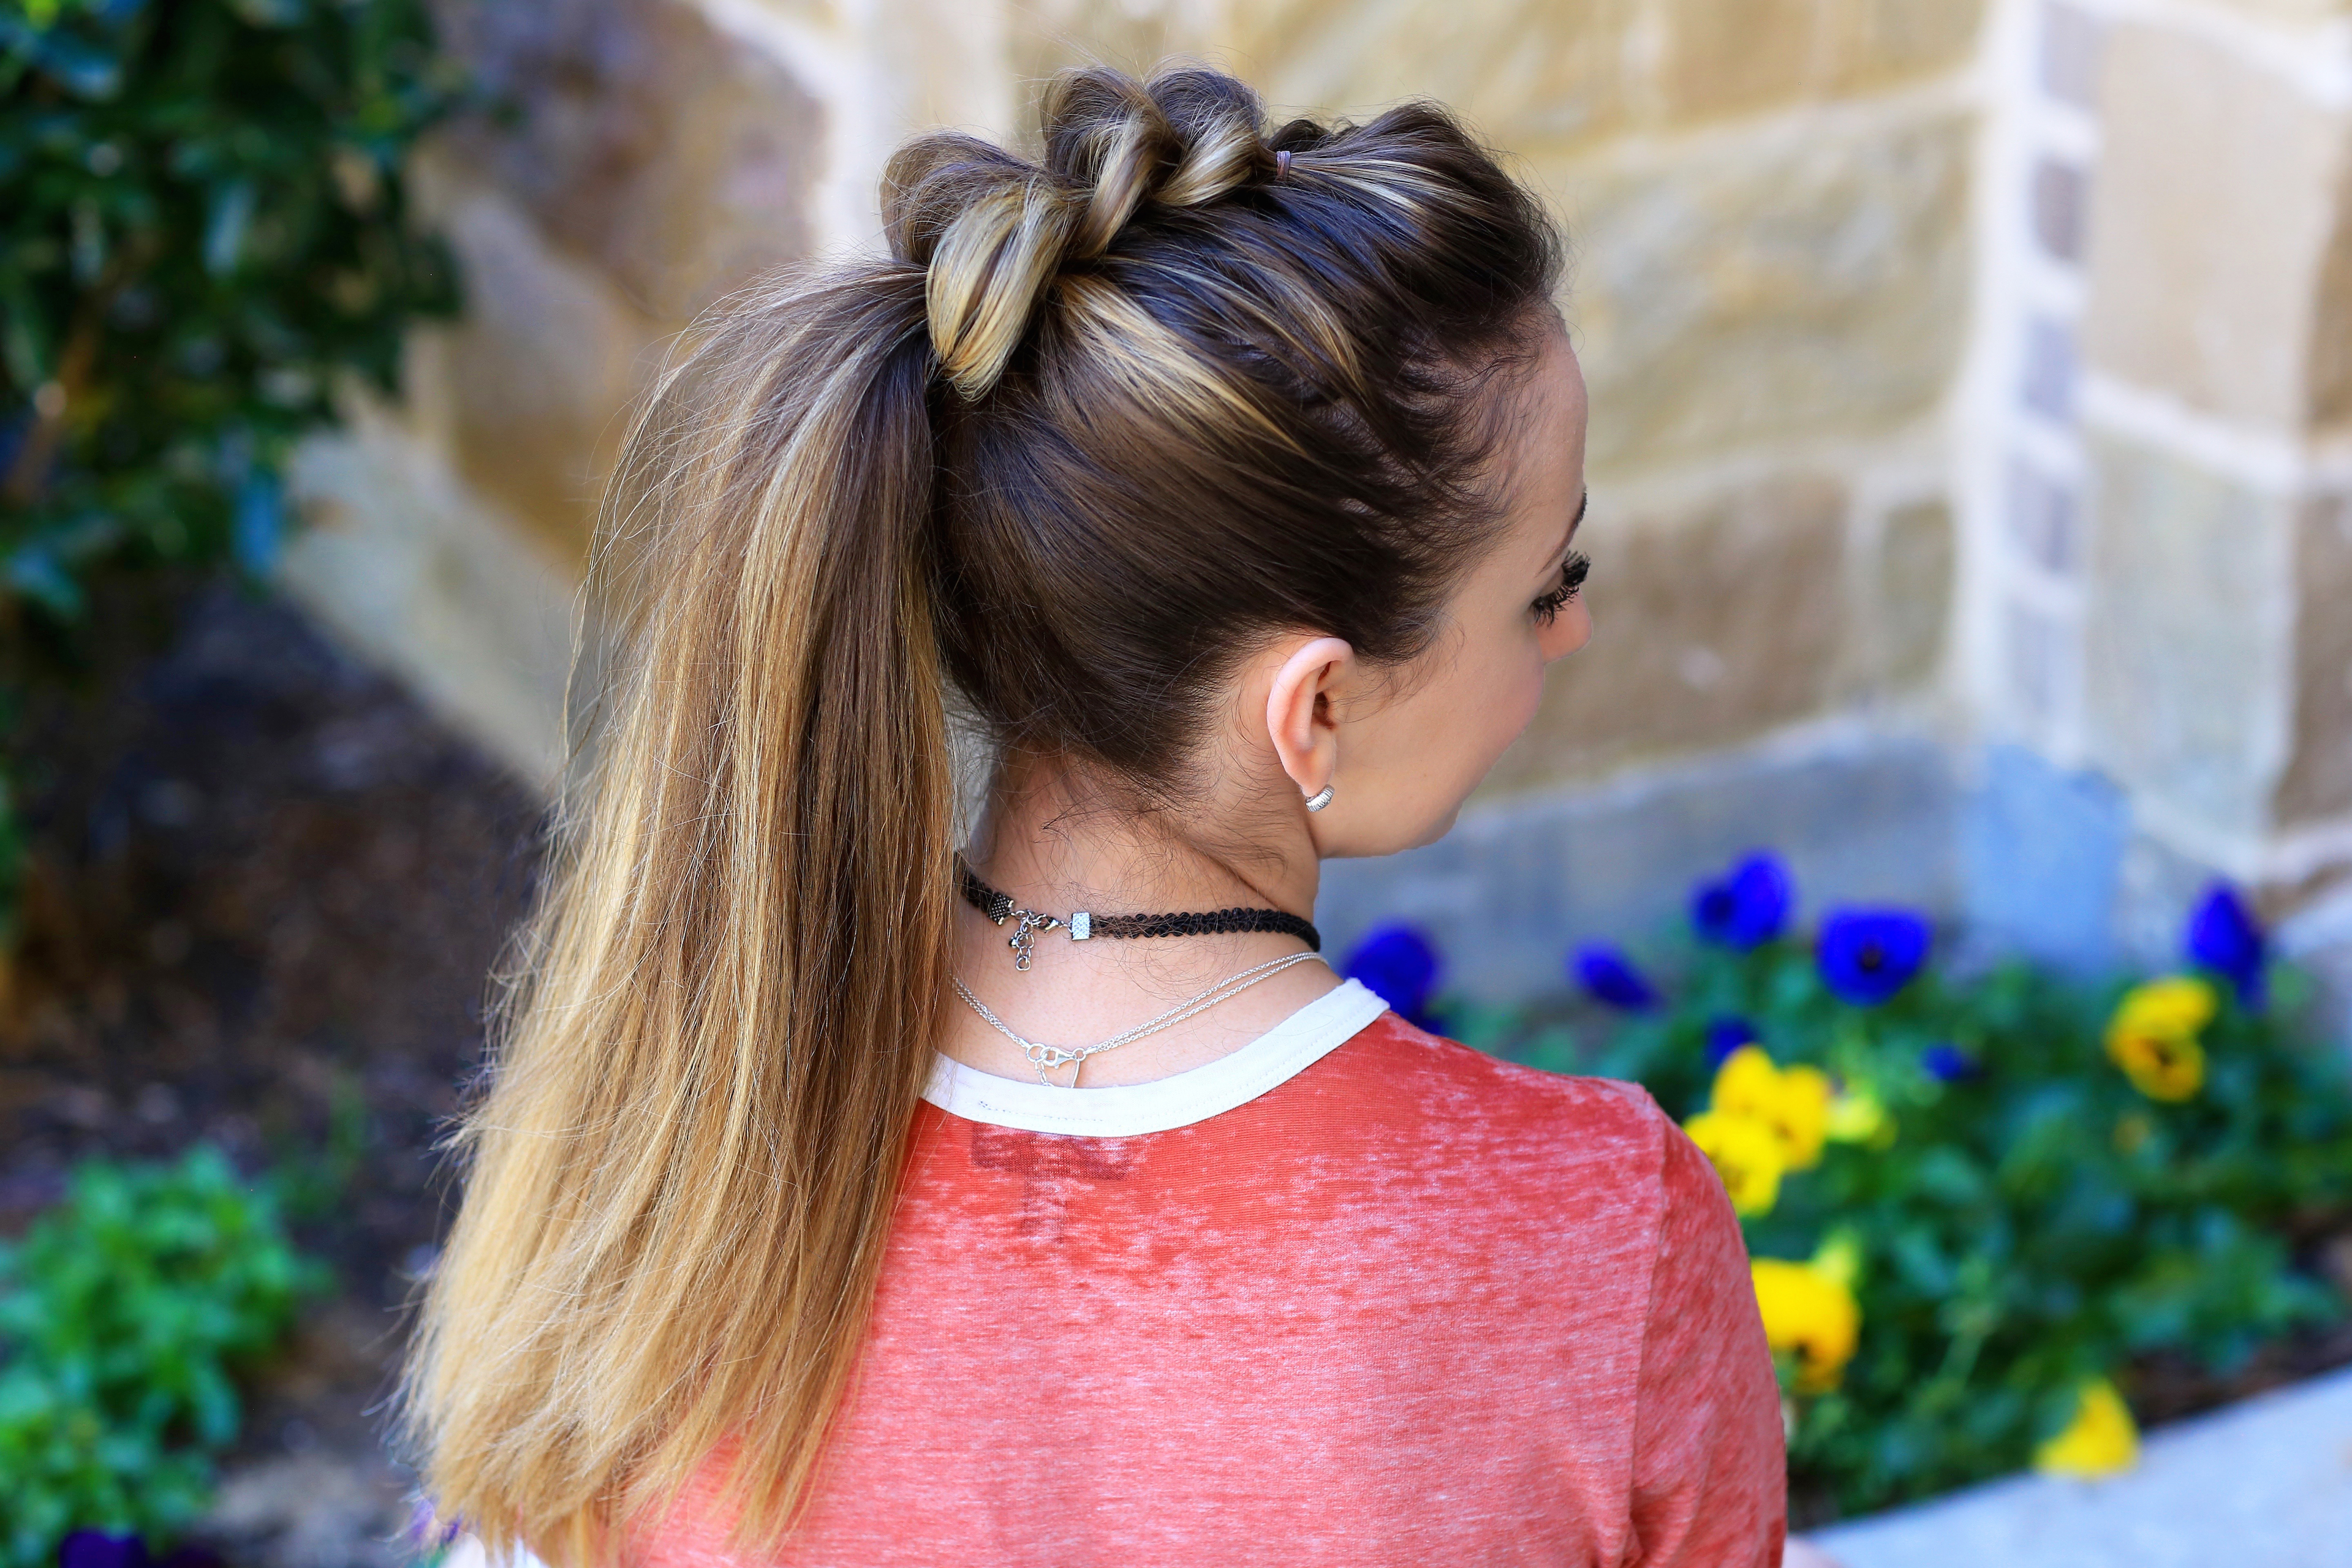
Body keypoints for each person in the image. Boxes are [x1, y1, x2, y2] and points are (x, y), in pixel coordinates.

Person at [403, 64, 1785, 1567]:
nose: (1568, 634)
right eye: (1546, 588)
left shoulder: (673, 1142)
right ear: (1312, 708)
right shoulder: (1595, 1237)